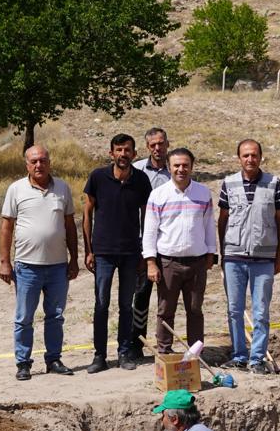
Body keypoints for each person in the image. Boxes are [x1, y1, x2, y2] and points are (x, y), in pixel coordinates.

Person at [0, 145, 80, 381]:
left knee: (55, 315)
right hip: (27, 267)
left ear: (49, 162)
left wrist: (74, 259)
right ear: (27, 164)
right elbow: (6, 227)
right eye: (34, 161)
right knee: (24, 317)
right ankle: (23, 363)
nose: (38, 165)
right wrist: (5, 262)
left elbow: (69, 227)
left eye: (43, 160)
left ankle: (53, 359)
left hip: (57, 267)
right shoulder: (16, 189)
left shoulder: (62, 188)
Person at [82, 133, 152, 373]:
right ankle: (99, 356)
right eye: (119, 150)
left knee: (126, 305)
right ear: (111, 153)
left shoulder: (141, 180)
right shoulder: (98, 177)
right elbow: (87, 214)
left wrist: (146, 252)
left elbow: (148, 218)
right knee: (101, 304)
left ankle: (124, 352)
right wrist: (88, 250)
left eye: (128, 150)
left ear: (134, 153)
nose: (123, 154)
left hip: (131, 253)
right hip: (103, 253)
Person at [217, 139, 280, 374]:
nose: (250, 159)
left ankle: (257, 359)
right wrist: (223, 253)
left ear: (261, 157)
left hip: (264, 259)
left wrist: (279, 257)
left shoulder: (274, 184)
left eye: (254, 155)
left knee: (260, 312)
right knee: (234, 310)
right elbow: (223, 219)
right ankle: (239, 356)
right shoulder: (228, 183)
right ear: (239, 158)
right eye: (245, 155)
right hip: (234, 257)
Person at [141, 147, 217, 356]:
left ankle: (195, 354)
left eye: (185, 165)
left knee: (194, 310)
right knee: (165, 311)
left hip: (197, 262)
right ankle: (164, 352)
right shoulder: (158, 195)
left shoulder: (203, 193)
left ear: (192, 167)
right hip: (168, 262)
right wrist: (150, 262)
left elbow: (209, 225)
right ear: (169, 167)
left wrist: (211, 253)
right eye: (176, 165)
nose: (181, 169)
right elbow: (150, 230)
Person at [128, 127, 171, 359]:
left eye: (161, 143)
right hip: (141, 242)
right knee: (141, 294)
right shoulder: (135, 170)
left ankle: (164, 344)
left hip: (167, 242)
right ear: (147, 147)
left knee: (167, 297)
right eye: (153, 144)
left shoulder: (174, 170)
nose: (157, 148)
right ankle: (136, 342)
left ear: (167, 144)